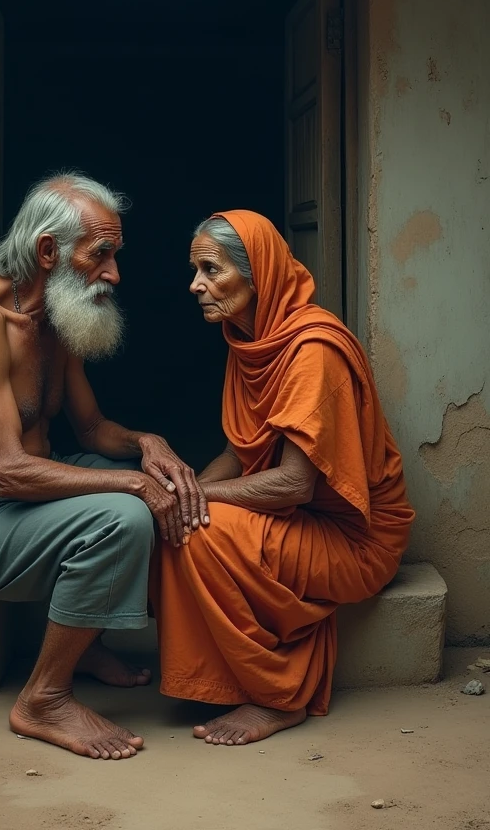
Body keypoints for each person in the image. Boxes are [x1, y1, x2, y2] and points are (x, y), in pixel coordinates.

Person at [0, 172, 208, 760]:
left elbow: (91, 431)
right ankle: (43, 697)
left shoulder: (54, 323)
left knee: (156, 483)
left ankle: (81, 642)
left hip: (14, 501)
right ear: (48, 252)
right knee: (124, 517)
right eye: (102, 255)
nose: (114, 274)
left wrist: (149, 444)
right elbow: (11, 470)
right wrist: (133, 485)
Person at [153, 210, 415, 745]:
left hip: (355, 541)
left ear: (258, 274)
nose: (194, 285)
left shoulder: (312, 351)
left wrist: (195, 497)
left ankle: (277, 695)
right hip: (300, 521)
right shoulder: (250, 338)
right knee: (180, 521)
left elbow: (294, 484)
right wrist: (185, 492)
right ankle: (218, 677)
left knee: (201, 528)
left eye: (210, 269)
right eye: (195, 269)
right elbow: (238, 449)